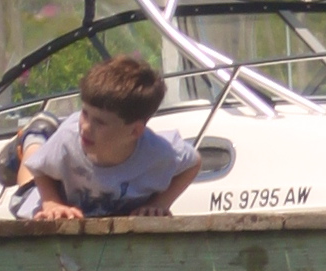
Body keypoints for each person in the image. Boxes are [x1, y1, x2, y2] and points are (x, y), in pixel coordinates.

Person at [11, 56, 199, 223]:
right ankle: (34, 135)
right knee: (28, 182)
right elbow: (39, 169)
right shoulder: (70, 137)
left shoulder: (158, 152)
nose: (85, 126)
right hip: (52, 192)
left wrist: (160, 203)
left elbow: (193, 163)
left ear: (135, 131)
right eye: (85, 113)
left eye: (100, 122)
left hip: (96, 213)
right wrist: (52, 203)